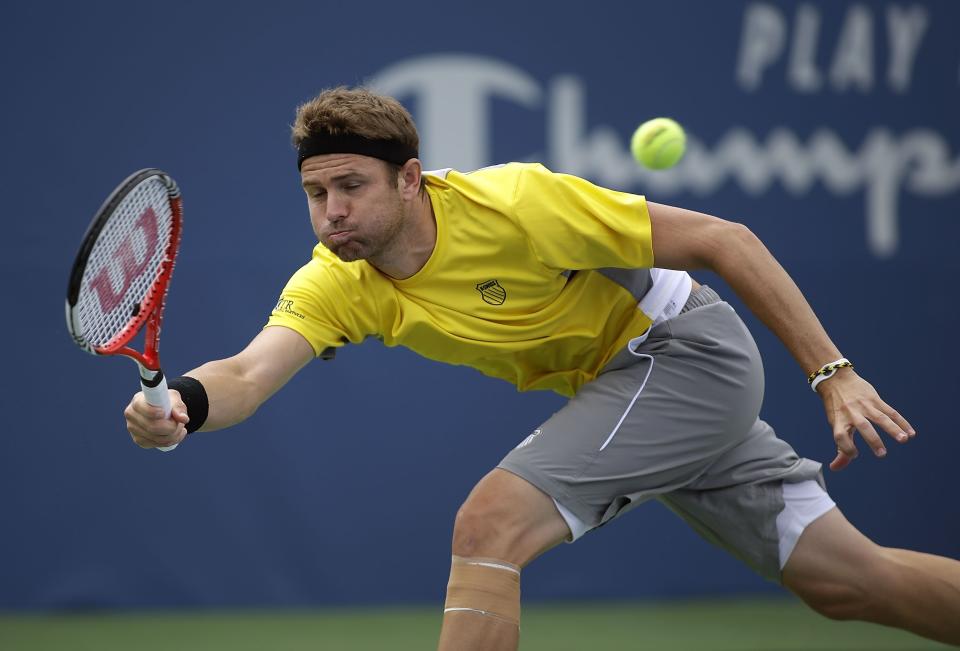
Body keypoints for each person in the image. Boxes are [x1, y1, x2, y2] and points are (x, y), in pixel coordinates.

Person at [123, 86, 960, 649]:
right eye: (316, 193)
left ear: (410, 179)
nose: (332, 211)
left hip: (682, 352)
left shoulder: (516, 205)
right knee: (849, 581)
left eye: (350, 186)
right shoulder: (337, 279)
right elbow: (247, 372)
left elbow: (723, 240)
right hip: (629, 390)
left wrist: (832, 370)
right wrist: (185, 407)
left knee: (489, 525)